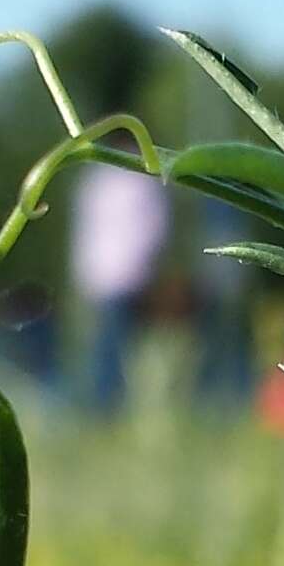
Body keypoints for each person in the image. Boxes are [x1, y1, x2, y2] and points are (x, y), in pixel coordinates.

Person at [67, 147, 169, 415]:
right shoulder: (138, 179)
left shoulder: (96, 178)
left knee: (107, 348)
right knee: (118, 349)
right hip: (127, 275)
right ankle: (110, 408)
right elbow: (154, 229)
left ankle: (105, 408)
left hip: (102, 276)